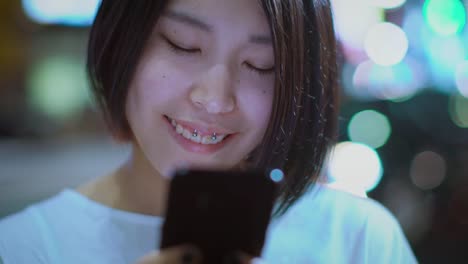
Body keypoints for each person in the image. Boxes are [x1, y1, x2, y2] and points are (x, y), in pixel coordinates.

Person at [0, 0, 418, 263]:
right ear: (121, 40)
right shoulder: (22, 247)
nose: (215, 99)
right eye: (183, 45)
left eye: (260, 64)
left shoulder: (357, 239)